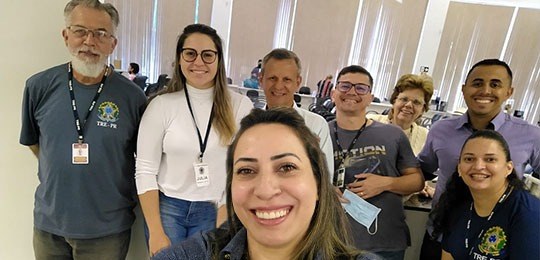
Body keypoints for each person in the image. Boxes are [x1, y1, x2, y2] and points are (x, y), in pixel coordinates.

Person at [153, 108, 381, 260]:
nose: (265, 189)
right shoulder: (197, 254)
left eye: (287, 167)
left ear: (319, 184)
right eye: (246, 170)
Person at [19, 0, 147, 259]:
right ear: (66, 36)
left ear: (113, 44)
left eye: (101, 34)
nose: (89, 41)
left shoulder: (133, 98)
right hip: (49, 227)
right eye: (80, 31)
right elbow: (35, 143)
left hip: (107, 231)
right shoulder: (38, 87)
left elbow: (142, 160)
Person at [135, 23, 253, 256]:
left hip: (217, 208)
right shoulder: (161, 105)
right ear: (179, 59)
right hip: (168, 210)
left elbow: (244, 166)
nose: (198, 62)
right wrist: (156, 230)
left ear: (219, 60)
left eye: (208, 55)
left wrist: (224, 211)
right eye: (190, 53)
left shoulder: (240, 106)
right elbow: (145, 169)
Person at [418, 59, 540, 259]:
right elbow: (423, 169)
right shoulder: (441, 130)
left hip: (499, 243)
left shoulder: (531, 135)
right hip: (443, 234)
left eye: (495, 84)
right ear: (464, 89)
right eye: (477, 83)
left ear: (509, 92)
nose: (485, 90)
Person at [330, 65, 424, 259]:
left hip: (384, 243)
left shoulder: (393, 134)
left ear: (371, 98)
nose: (352, 92)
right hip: (331, 241)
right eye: (345, 86)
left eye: (361, 88)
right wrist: (322, 189)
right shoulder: (317, 133)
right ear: (333, 93)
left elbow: (417, 181)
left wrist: (386, 183)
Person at [431, 130, 540, 259]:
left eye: (490, 159)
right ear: (459, 168)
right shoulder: (456, 205)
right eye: (469, 159)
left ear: (508, 168)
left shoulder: (529, 213)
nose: (478, 166)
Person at [258, 48, 334, 178]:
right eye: (272, 78)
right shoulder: (246, 124)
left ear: (297, 82)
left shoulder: (316, 125)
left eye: (286, 79)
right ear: (261, 80)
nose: (278, 86)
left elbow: (325, 177)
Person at [367, 73, 434, 155]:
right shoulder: (370, 122)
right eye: (404, 99)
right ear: (394, 101)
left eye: (416, 102)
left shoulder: (426, 136)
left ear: (423, 109)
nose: (409, 105)